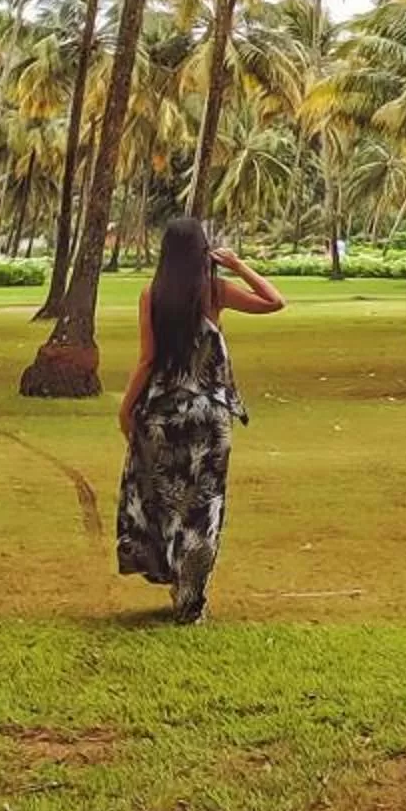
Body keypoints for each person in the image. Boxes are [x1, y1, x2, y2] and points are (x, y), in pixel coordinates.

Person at [115, 215, 283, 623]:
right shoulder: (215, 291)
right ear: (203, 251)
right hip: (209, 419)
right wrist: (238, 265)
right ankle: (191, 598)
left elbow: (147, 360)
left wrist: (126, 407)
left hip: (164, 416)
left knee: (166, 501)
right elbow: (274, 301)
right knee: (203, 507)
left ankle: (174, 577)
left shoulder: (151, 294)